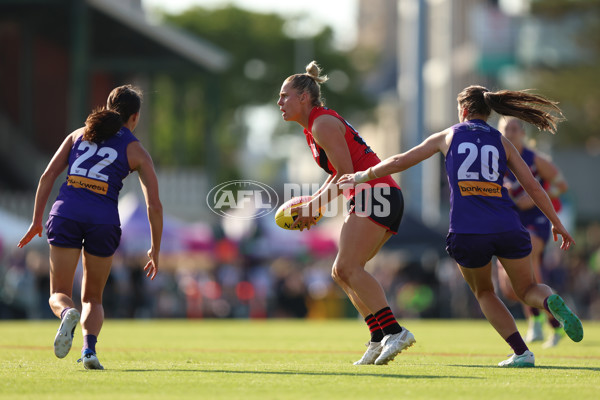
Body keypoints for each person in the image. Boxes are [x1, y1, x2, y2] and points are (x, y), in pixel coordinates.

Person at [338, 85, 583, 367]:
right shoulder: (502, 141)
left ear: (464, 110)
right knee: (528, 288)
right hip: (509, 227)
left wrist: (362, 176)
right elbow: (534, 187)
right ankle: (550, 299)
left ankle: (522, 352)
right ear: (488, 112)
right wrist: (557, 224)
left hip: (469, 231)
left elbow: (399, 161)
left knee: (485, 293)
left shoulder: (449, 135)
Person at [277, 61, 415, 366]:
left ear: (304, 98)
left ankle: (395, 331)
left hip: (376, 193)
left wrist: (314, 206)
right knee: (342, 272)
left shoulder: (321, 123)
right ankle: (378, 337)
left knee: (349, 267)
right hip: (373, 194)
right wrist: (313, 202)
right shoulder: (314, 128)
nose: (280, 102)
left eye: (285, 95)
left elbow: (346, 173)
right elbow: (339, 174)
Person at [18, 85, 163, 370]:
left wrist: (36, 220)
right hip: (103, 220)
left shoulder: (78, 134)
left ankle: (67, 313)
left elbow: (47, 176)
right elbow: (154, 206)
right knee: (93, 298)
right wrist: (155, 249)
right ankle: (89, 351)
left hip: (66, 214)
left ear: (108, 105)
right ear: (135, 117)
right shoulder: (136, 150)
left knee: (58, 293)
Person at [496, 117, 569, 348]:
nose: (511, 132)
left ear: (523, 133)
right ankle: (547, 316)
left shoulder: (535, 159)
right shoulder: (495, 158)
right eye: (506, 129)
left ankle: (539, 324)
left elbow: (561, 185)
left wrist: (538, 195)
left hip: (536, 220)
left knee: (527, 260)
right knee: (510, 288)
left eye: (515, 129)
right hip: (510, 220)